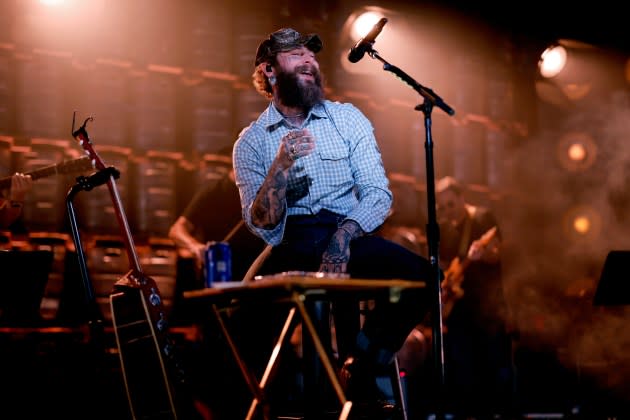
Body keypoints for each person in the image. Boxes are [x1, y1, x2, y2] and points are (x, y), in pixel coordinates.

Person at [232, 27, 434, 417]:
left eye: (312, 55)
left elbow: (378, 193)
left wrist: (343, 236)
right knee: (241, 318)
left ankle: (361, 363)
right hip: (291, 241)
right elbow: (263, 226)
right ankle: (289, 401)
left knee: (423, 277)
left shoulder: (347, 118)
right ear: (269, 71)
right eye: (296, 55)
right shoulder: (252, 142)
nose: (310, 60)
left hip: (347, 232)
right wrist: (281, 164)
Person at [433, 175, 514, 419]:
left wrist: (483, 255)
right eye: (443, 206)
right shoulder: (445, 229)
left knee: (495, 370)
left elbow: (497, 256)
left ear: (461, 198)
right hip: (459, 311)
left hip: (486, 308)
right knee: (465, 373)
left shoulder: (481, 218)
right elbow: (447, 264)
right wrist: (446, 283)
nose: (448, 210)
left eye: (451, 204)